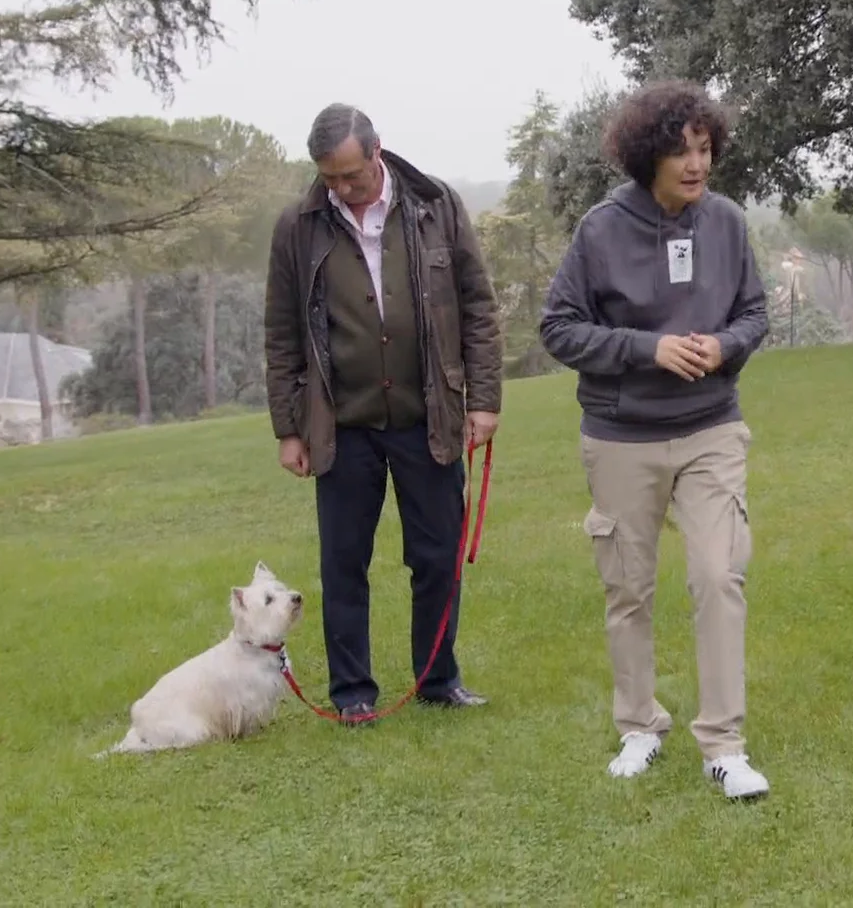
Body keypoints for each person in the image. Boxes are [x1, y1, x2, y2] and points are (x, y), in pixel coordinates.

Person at [538, 79, 773, 799]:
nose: (697, 165)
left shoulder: (728, 222)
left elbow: (755, 312)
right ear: (648, 158)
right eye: (681, 153)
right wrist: (649, 349)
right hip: (622, 437)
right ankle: (639, 727)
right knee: (629, 590)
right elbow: (560, 327)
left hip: (711, 428)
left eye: (705, 150)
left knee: (717, 575)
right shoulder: (601, 230)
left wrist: (724, 345)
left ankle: (724, 745)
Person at [263, 103, 503, 720]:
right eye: (328, 178)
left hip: (430, 415)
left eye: (351, 175)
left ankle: (437, 680)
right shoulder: (299, 225)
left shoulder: (436, 204)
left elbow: (477, 305)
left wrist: (485, 400)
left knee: (437, 555)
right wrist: (288, 428)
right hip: (340, 425)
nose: (340, 188)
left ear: (377, 152)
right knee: (344, 564)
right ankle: (353, 696)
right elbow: (282, 333)